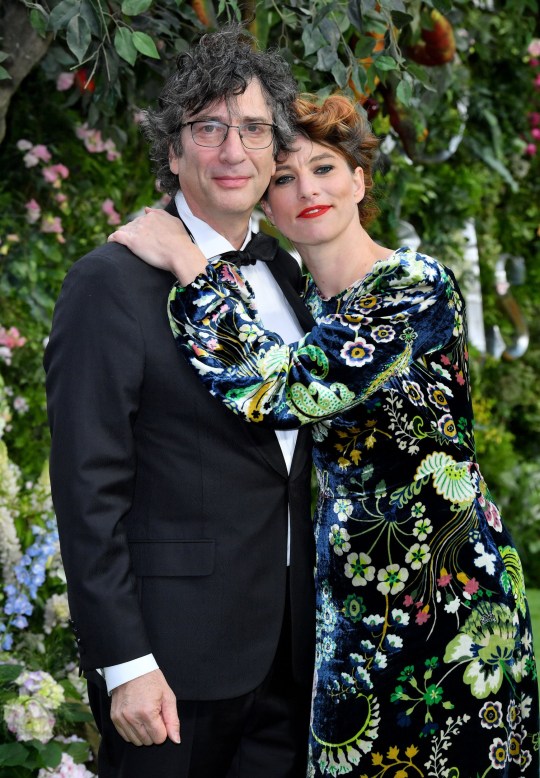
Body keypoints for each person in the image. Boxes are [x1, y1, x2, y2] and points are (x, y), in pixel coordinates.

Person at [110, 94, 539, 776]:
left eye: (326, 168)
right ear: (266, 205)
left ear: (360, 180)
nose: (307, 190)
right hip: (350, 597)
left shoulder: (412, 286)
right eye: (283, 177)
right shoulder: (297, 305)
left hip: (444, 594)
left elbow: (289, 390)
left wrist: (187, 264)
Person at [44, 26, 317, 778]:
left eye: (254, 129)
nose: (233, 151)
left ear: (275, 151)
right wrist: (125, 660)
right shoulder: (110, 283)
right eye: (208, 128)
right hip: (170, 670)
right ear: (173, 151)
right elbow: (85, 486)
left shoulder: (291, 280)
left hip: (291, 660)